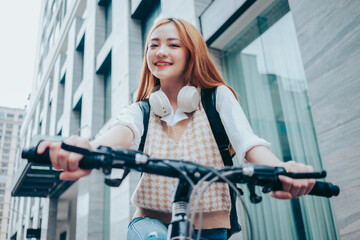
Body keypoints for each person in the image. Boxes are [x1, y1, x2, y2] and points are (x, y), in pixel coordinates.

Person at [37, 17, 315, 240]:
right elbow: (121, 132)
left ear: (191, 52)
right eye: (153, 45)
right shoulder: (142, 110)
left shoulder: (217, 97)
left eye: (173, 45)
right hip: (151, 223)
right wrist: (89, 151)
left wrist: (281, 169)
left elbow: (248, 144)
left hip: (213, 229)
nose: (160, 51)